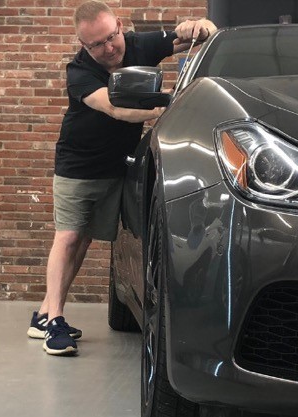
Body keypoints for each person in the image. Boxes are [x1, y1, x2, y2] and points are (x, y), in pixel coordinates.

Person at [28, 1, 216, 356]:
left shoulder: (138, 44)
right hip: (77, 167)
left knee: (83, 241)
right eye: (96, 45)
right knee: (67, 237)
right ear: (84, 45)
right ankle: (54, 324)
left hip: (116, 166)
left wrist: (197, 24)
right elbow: (115, 107)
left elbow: (199, 34)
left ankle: (43, 313)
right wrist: (171, 106)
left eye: (111, 37)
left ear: (119, 25)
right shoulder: (79, 71)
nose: (108, 48)